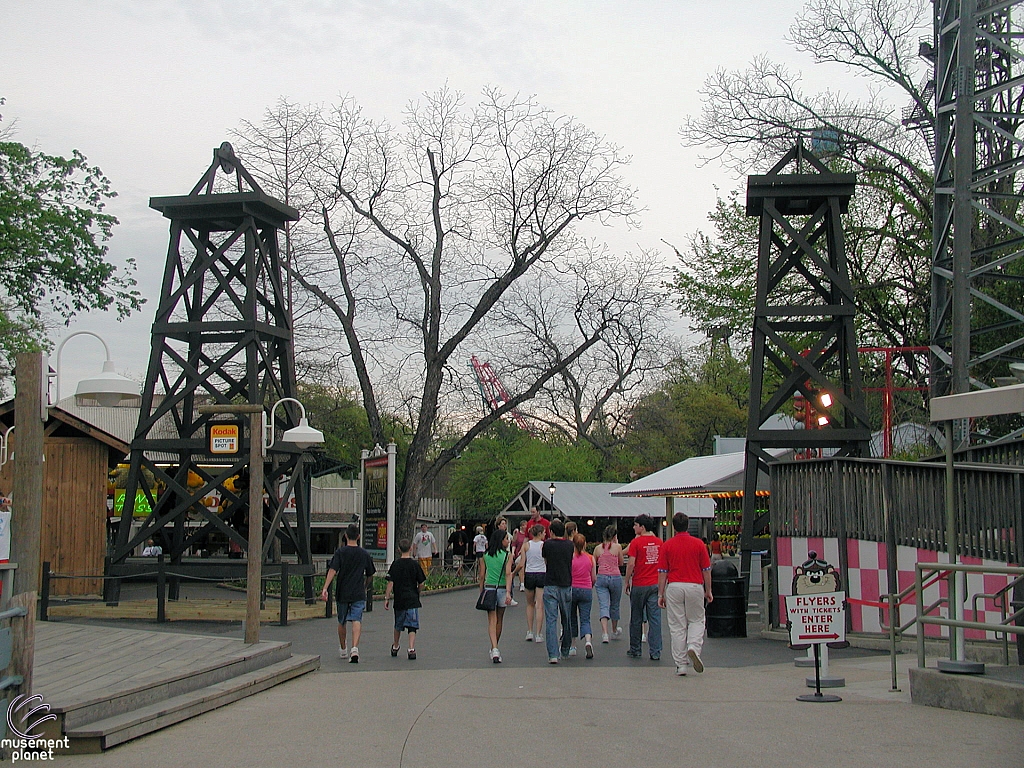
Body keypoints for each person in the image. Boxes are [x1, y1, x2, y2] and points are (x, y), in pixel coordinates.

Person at [658, 512, 713, 675]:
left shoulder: (667, 545)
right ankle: (693, 646)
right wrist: (708, 590)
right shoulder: (698, 545)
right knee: (696, 620)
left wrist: (660, 594)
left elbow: (662, 572)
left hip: (674, 586)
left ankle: (681, 664)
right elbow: (706, 570)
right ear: (688, 525)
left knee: (677, 626)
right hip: (695, 585)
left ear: (673, 526)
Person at [321, 523, 376, 663]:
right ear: (358, 536)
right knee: (357, 619)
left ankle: (343, 648)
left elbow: (333, 570)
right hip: (358, 591)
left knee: (342, 620)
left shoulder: (340, 552)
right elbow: (370, 574)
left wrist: (325, 588)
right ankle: (355, 648)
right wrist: (365, 585)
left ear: (345, 536)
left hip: (342, 591)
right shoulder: (364, 554)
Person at [624, 514, 663, 661]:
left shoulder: (636, 543)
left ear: (642, 527)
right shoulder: (659, 542)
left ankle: (635, 648)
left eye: (636, 525)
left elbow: (631, 563)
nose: (634, 527)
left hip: (640, 583)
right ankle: (655, 651)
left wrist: (627, 581)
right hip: (655, 583)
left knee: (636, 617)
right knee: (655, 618)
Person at [384, 538, 426, 660]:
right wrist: (418, 591)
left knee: (398, 624)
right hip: (412, 599)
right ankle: (411, 648)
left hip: (399, 599)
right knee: (412, 625)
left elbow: (390, 583)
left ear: (399, 549)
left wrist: (387, 597)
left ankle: (396, 645)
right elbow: (421, 582)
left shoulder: (396, 564)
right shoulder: (414, 564)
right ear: (411, 548)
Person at [542, 518, 574, 663]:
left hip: (550, 584)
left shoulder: (547, 545)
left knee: (551, 620)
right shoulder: (569, 545)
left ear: (552, 532)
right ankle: (566, 648)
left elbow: (546, 561)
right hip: (566, 583)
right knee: (566, 619)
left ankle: (553, 654)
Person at [479, 529, 513, 663]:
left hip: (489, 588)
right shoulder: (507, 555)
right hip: (503, 589)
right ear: (501, 540)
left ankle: (494, 648)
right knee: (500, 619)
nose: (508, 541)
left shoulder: (486, 555)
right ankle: (495, 646)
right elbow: (508, 574)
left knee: (491, 620)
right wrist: (509, 592)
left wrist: (481, 590)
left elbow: (482, 575)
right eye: (506, 538)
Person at [517, 523, 547, 643]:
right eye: (544, 532)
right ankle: (538, 633)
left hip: (529, 574)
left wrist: (515, 573)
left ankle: (529, 631)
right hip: (541, 573)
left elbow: (522, 563)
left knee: (530, 604)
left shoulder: (526, 545)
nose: (545, 534)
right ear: (539, 534)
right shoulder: (544, 546)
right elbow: (546, 561)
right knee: (540, 605)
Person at [594, 524, 624, 643]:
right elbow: (621, 562)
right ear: (615, 536)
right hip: (615, 577)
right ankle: (614, 629)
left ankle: (604, 632)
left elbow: (595, 562)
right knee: (615, 604)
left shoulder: (597, 548)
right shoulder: (617, 547)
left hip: (601, 576)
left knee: (603, 605)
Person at [568, 533, 595, 659]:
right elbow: (593, 577)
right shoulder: (590, 558)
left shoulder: (570, 558)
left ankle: (573, 645)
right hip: (586, 588)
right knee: (585, 618)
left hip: (573, 588)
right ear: (585, 544)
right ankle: (588, 641)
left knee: (572, 617)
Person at [511, 520, 528, 592]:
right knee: (521, 567)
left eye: (526, 525)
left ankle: (525, 582)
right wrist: (512, 553)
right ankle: (522, 584)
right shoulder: (517, 534)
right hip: (519, 553)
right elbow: (514, 544)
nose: (525, 527)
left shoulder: (528, 534)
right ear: (521, 526)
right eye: (524, 525)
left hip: (527, 552)